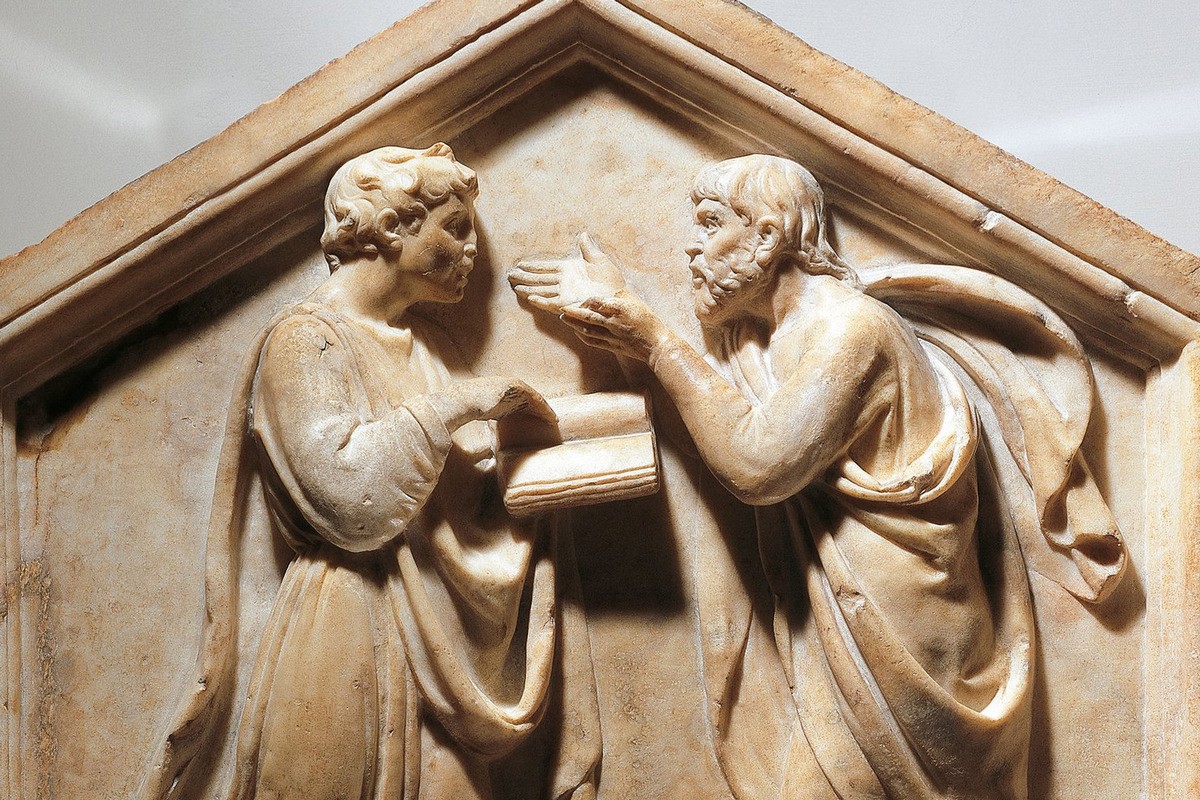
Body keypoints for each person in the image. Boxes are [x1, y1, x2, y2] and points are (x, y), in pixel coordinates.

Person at [509, 154, 1125, 799]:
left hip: (903, 631)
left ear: (767, 236)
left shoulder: (852, 331)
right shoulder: (762, 341)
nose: (693, 246)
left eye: (711, 224)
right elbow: (717, 423)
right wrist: (626, 327)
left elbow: (758, 466)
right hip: (838, 617)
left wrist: (655, 339)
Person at [141, 144, 599, 800]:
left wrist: (548, 462)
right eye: (456, 228)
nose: (471, 249)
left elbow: (454, 501)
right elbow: (350, 500)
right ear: (390, 229)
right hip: (347, 625)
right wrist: (455, 406)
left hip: (438, 636)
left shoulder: (426, 347)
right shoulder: (305, 340)